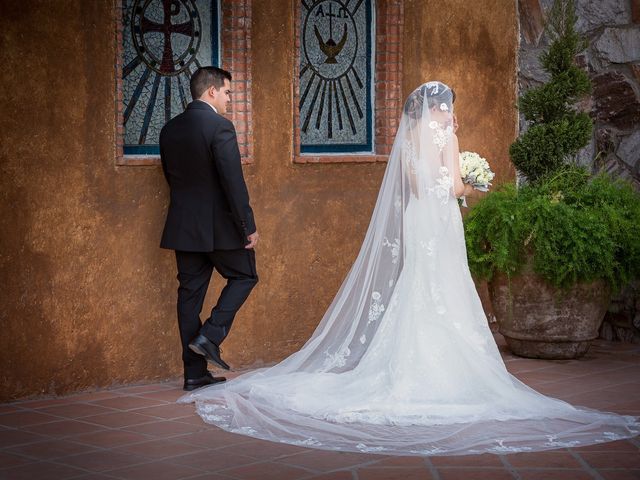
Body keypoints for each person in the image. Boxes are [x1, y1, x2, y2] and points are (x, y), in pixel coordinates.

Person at [180, 82, 638, 455]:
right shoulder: (449, 137)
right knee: (445, 286)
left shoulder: (412, 136)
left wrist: (450, 178)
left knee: (419, 283)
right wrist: (470, 182)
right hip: (440, 219)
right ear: (442, 108)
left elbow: (415, 182)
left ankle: (400, 364)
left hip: (419, 217)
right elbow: (454, 183)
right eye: (450, 106)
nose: (451, 113)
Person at [160, 67, 259, 392]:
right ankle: (211, 335)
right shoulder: (220, 126)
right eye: (228, 92)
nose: (230, 99)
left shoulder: (169, 129)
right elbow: (234, 182)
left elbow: (172, 179)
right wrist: (248, 227)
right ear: (212, 91)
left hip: (183, 227)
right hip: (218, 228)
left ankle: (193, 374)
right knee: (245, 276)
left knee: (189, 297)